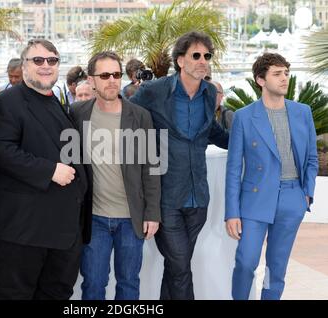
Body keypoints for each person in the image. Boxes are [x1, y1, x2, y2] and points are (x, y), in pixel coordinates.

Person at [0, 39, 91, 300]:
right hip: (21, 231)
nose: (46, 66)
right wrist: (49, 170)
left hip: (61, 231)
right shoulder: (7, 102)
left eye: (52, 61)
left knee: (56, 293)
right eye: (38, 60)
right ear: (24, 66)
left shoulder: (56, 102)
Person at [130, 31, 229, 300]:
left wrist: (246, 145)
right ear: (180, 60)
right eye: (195, 55)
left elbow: (213, 131)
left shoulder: (209, 92)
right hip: (166, 195)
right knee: (181, 267)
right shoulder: (155, 90)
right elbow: (127, 117)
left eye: (207, 56)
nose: (203, 61)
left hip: (198, 197)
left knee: (176, 267)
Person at [225, 53, 318, 300]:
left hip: (292, 198)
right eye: (277, 74)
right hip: (255, 199)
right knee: (246, 262)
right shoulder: (244, 116)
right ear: (260, 80)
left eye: (286, 73)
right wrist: (232, 212)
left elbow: (311, 157)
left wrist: (306, 194)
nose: (284, 78)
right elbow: (234, 167)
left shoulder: (302, 112)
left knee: (277, 267)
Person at [71, 51, 161, 300]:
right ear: (91, 80)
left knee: (129, 284)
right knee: (93, 284)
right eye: (105, 75)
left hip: (131, 218)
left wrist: (152, 212)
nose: (112, 80)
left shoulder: (140, 116)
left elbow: (150, 167)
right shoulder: (78, 113)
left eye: (116, 74)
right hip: (94, 218)